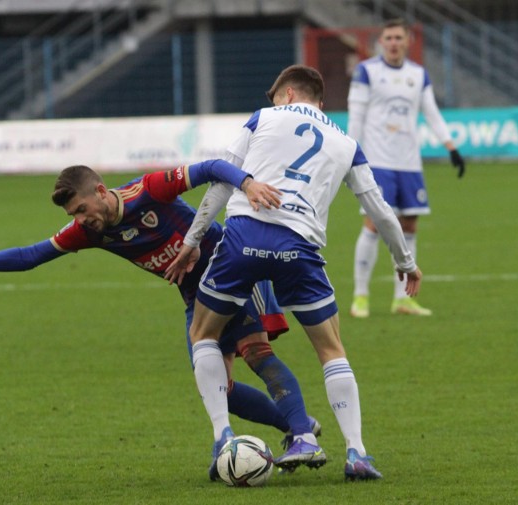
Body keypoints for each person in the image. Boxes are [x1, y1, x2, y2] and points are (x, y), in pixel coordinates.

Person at [0, 159, 324, 477]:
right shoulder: (90, 231)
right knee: (222, 387)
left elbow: (212, 167)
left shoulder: (147, 191)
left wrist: (248, 183)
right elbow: (33, 255)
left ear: (101, 191)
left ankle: (294, 436)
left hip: (230, 269)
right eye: (73, 214)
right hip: (194, 295)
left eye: (82, 209)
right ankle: (293, 424)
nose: (80, 219)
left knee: (256, 354)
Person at [165, 64, 424, 481]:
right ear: (319, 102)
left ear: (286, 95)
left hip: (243, 239)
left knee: (203, 334)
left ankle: (223, 436)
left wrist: (192, 242)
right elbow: (379, 210)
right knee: (331, 350)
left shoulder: (263, 118)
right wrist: (405, 262)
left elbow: (220, 183)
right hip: (299, 249)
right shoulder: (345, 142)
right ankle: (357, 453)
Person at [347, 18, 465, 318]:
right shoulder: (367, 72)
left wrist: (450, 146)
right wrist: (349, 151)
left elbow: (432, 113)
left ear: (408, 41)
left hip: (409, 164)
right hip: (378, 162)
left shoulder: (418, 74)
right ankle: (361, 296)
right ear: (381, 41)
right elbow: (356, 116)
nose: (394, 42)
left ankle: (402, 299)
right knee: (375, 224)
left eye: (399, 37)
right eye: (388, 37)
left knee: (409, 226)